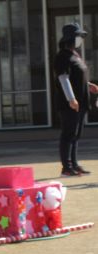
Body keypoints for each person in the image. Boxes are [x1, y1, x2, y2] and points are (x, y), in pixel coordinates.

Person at [54, 22, 98, 177]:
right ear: (71, 38)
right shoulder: (62, 57)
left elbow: (77, 77)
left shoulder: (75, 55)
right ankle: (66, 168)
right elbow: (64, 78)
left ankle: (74, 164)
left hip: (81, 103)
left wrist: (89, 84)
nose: (80, 39)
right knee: (68, 134)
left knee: (76, 135)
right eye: (78, 36)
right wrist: (71, 99)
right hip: (70, 104)